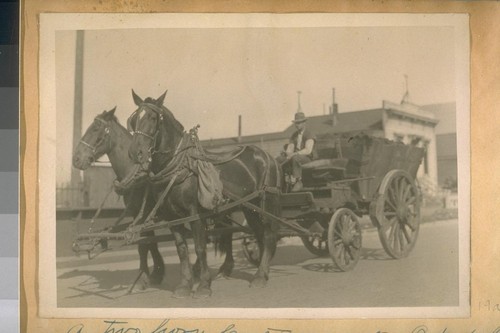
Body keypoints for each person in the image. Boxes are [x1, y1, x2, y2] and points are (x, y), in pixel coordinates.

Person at [278, 111, 316, 192]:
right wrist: (287, 153)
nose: (297, 125)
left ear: (304, 123)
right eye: (296, 123)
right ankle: (282, 181)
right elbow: (290, 148)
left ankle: (298, 181)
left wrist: (294, 154)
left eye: (299, 123)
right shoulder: (294, 135)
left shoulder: (309, 134)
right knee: (280, 159)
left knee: (296, 158)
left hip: (307, 158)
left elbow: (308, 150)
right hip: (296, 157)